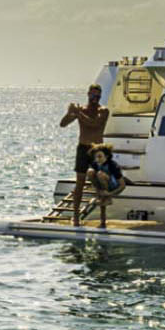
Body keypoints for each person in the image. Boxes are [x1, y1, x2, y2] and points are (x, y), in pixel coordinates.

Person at [59, 83, 111, 225]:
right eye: (93, 95)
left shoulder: (103, 110)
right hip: (83, 149)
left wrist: (77, 113)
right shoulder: (80, 110)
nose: (95, 98)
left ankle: (103, 219)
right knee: (80, 183)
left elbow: (94, 124)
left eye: (98, 96)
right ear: (88, 94)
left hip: (98, 150)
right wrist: (70, 113)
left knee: (101, 182)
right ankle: (75, 217)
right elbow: (63, 124)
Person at [86, 143, 127, 228]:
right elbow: (92, 178)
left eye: (100, 157)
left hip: (113, 187)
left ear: (107, 156)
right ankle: (102, 222)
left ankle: (107, 198)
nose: (97, 159)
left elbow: (122, 186)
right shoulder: (95, 164)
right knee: (90, 171)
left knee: (101, 174)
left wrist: (110, 194)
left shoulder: (113, 166)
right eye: (96, 157)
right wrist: (99, 191)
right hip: (103, 186)